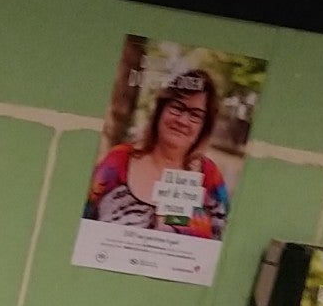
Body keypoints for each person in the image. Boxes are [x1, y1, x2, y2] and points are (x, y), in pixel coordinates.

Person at [86, 71, 231, 238]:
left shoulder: (210, 177)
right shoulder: (117, 161)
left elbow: (225, 243)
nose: (182, 121)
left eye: (195, 115)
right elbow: (78, 223)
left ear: (204, 127)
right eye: (177, 107)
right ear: (160, 110)